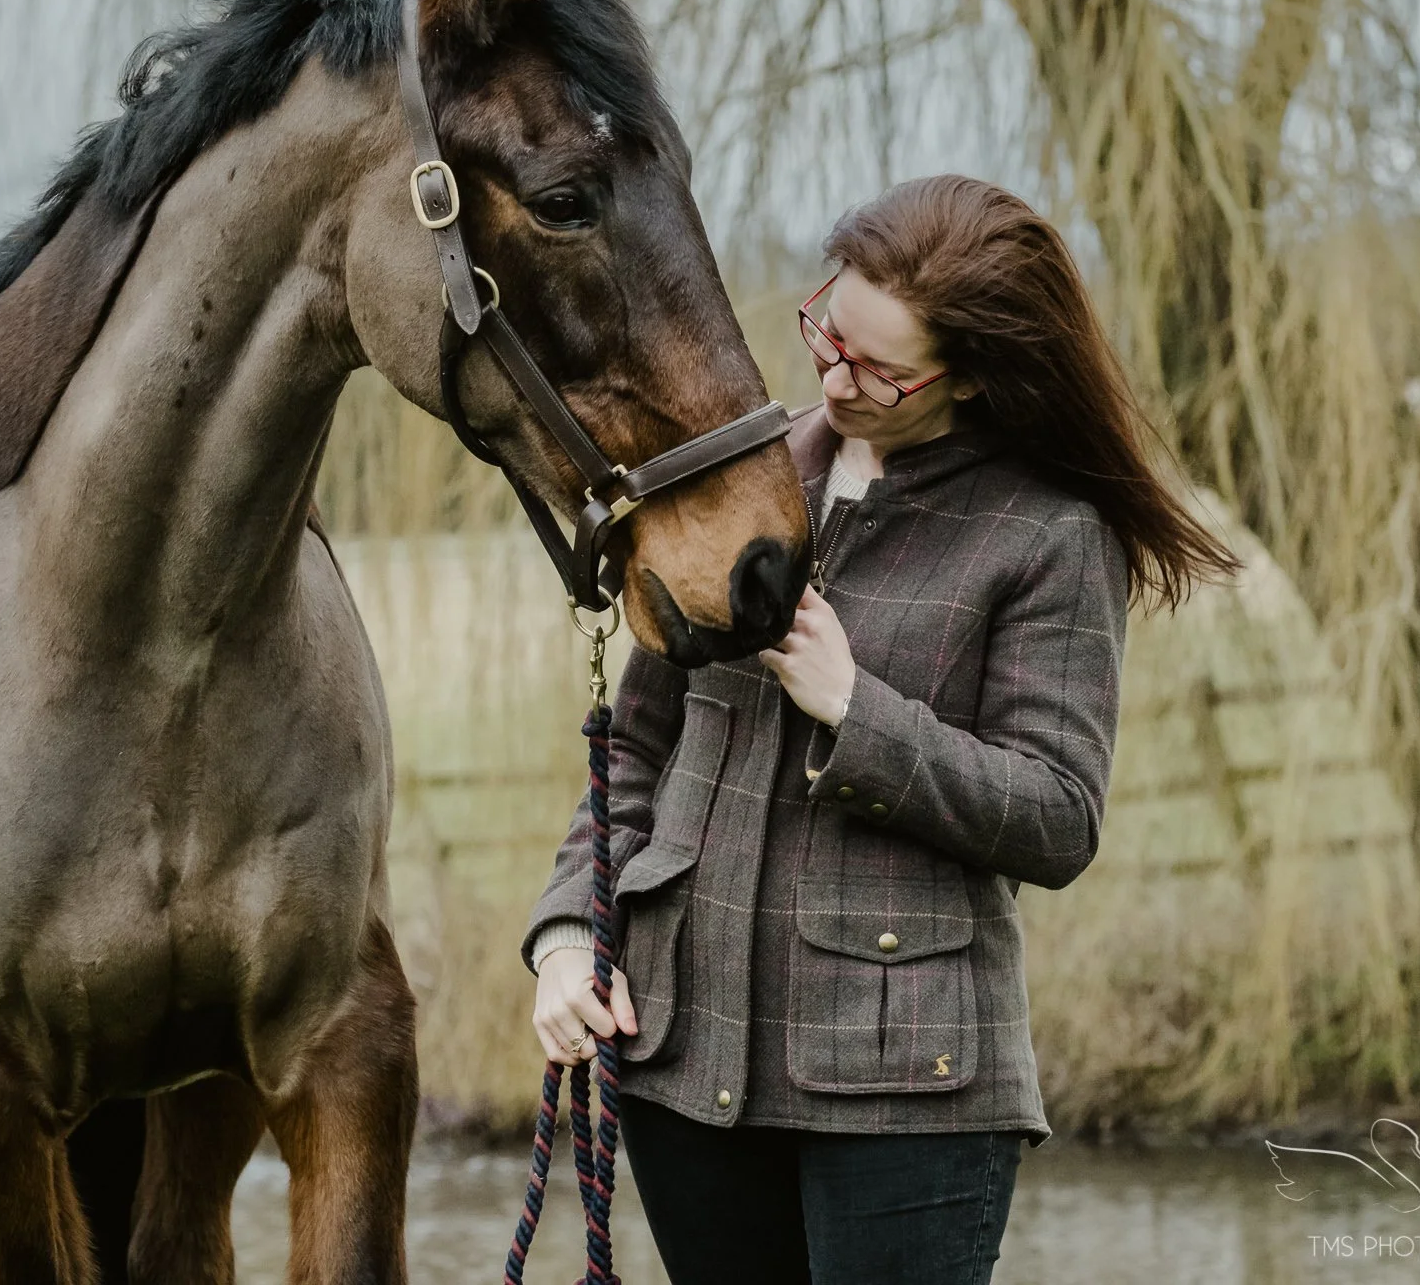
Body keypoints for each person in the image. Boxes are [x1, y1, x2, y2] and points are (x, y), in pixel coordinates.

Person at [523, 175, 1240, 1284]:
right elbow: (633, 750)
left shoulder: (1048, 534)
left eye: (877, 369)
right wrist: (570, 932)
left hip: (909, 1091)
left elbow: (1054, 817)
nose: (831, 375)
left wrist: (856, 710)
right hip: (677, 1061)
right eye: (827, 333)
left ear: (976, 376)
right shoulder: (736, 481)